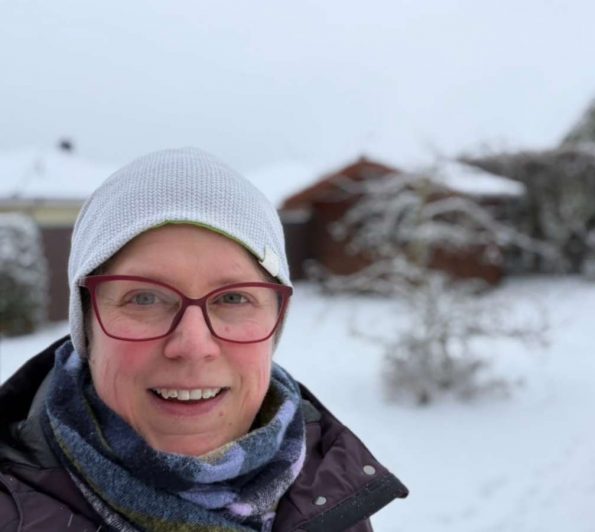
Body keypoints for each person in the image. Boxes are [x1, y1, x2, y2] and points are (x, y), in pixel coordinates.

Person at [0, 148, 408, 531]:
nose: (194, 346)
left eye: (233, 298)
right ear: (87, 325)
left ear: (276, 319)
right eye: (144, 298)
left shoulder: (333, 501)